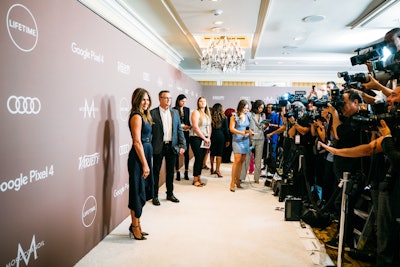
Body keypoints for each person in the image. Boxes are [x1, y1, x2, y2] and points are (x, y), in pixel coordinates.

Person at [319, 86, 400, 266]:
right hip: (379, 177)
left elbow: (342, 136)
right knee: (381, 227)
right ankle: (381, 257)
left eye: (393, 95)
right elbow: (369, 148)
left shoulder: (356, 120)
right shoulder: (378, 123)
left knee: (386, 228)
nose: (388, 100)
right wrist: (335, 150)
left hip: (385, 180)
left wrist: (386, 137)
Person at [150, 90, 186, 206]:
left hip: (172, 146)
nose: (168, 100)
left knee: (170, 172)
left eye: (170, 98)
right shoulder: (152, 113)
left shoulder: (175, 112)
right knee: (156, 172)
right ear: (160, 99)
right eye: (166, 98)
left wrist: (183, 145)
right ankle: (154, 195)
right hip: (158, 146)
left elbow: (179, 130)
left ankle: (169, 194)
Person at [127, 88, 154, 240]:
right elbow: (137, 142)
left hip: (146, 153)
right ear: (137, 100)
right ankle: (134, 226)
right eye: (143, 99)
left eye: (148, 99)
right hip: (138, 158)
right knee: (136, 192)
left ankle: (137, 223)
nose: (146, 102)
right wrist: (144, 164)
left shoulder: (145, 115)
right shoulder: (136, 116)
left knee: (142, 191)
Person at [240, 100, 265, 183]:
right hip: (250, 138)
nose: (261, 109)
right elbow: (246, 125)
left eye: (262, 108)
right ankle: (242, 177)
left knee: (258, 159)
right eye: (260, 107)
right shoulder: (249, 114)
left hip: (260, 138)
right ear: (256, 106)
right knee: (247, 159)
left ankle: (256, 178)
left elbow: (262, 127)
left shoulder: (263, 115)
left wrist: (266, 126)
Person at [229, 99, 251, 192]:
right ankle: (232, 183)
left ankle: (238, 180)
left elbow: (247, 128)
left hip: (245, 140)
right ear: (240, 107)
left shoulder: (248, 116)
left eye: (247, 108)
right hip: (237, 140)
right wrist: (241, 133)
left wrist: (250, 132)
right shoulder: (234, 116)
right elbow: (231, 129)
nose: (246, 110)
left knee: (242, 161)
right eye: (244, 108)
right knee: (237, 160)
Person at [190, 96, 212, 187]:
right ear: (198, 103)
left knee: (202, 159)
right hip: (196, 138)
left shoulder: (207, 114)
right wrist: (204, 138)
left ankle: (199, 177)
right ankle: (195, 179)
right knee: (198, 158)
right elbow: (195, 127)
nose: (202, 103)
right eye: (200, 101)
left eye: (204, 101)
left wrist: (208, 138)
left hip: (205, 139)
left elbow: (209, 127)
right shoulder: (196, 112)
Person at [173, 94, 191, 181]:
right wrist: (180, 126)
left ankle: (186, 172)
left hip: (186, 133)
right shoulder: (173, 110)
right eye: (182, 101)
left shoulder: (187, 110)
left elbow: (188, 122)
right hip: (177, 134)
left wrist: (188, 126)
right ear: (178, 101)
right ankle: (178, 172)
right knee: (177, 153)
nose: (183, 103)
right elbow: (173, 123)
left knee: (186, 153)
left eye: (185, 101)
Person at [209, 103, 229, 177]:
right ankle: (217, 170)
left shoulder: (211, 117)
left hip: (212, 136)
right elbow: (226, 131)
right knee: (219, 154)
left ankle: (212, 168)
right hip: (221, 136)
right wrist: (228, 140)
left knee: (212, 153)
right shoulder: (224, 118)